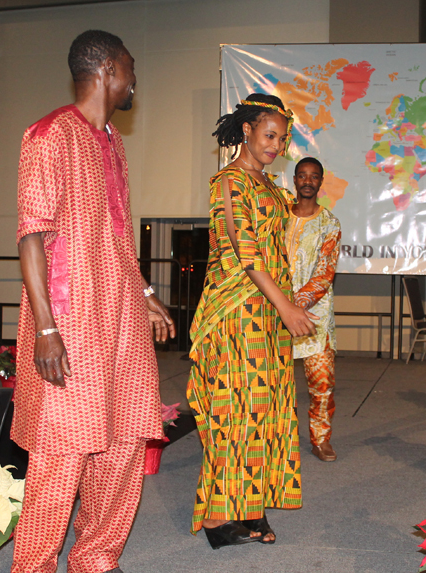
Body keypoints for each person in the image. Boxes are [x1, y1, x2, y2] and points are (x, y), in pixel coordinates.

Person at [11, 30, 175, 573]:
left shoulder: (112, 141)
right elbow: (31, 235)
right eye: (130, 67)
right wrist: (45, 329)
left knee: (125, 439)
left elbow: (119, 234)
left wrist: (146, 293)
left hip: (121, 320)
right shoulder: (49, 135)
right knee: (62, 454)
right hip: (70, 320)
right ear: (106, 69)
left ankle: (96, 559)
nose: (135, 79)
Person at [187, 94, 318, 550]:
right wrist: (285, 306)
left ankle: (250, 506)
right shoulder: (229, 182)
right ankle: (220, 519)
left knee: (264, 411)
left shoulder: (272, 188)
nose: (276, 145)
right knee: (233, 412)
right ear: (246, 130)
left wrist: (287, 304)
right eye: (269, 135)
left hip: (267, 315)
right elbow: (246, 252)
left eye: (282, 138)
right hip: (235, 314)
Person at [285, 157, 341, 462]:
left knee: (321, 383)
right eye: (302, 176)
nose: (308, 181)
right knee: (276, 383)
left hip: (314, 318)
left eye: (314, 177)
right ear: (294, 180)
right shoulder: (278, 218)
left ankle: (320, 439)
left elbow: (324, 273)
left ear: (320, 182)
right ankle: (278, 439)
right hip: (275, 315)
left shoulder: (329, 223)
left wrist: (295, 308)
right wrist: (282, 308)